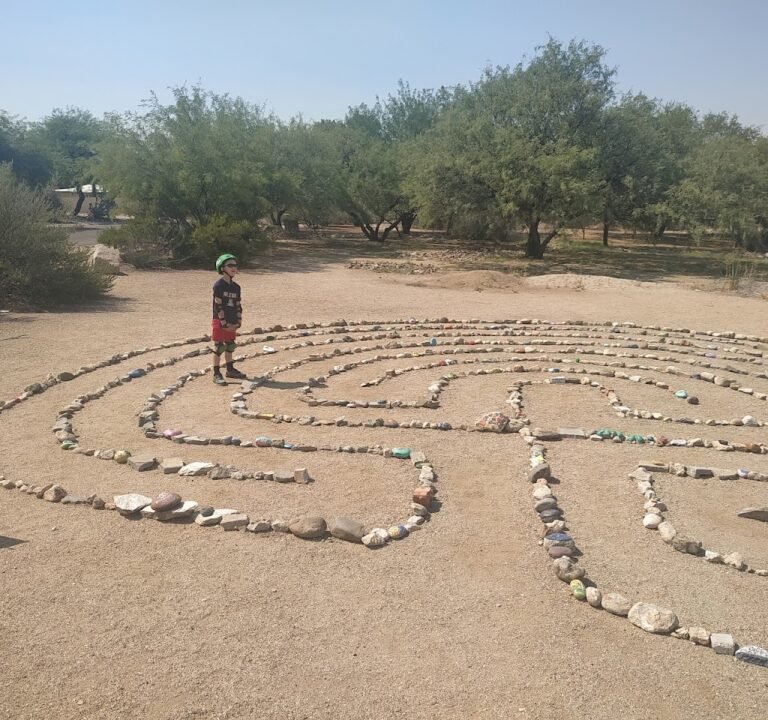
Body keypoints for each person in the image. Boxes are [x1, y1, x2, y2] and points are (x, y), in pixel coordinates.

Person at [211, 253, 248, 385]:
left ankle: (230, 369)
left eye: (235, 265)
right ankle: (216, 373)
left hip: (232, 319)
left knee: (230, 345)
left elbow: (238, 305)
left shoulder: (236, 287)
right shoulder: (218, 285)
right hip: (220, 320)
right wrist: (223, 323)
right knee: (219, 347)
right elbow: (218, 305)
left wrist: (238, 321)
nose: (233, 267)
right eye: (230, 265)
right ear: (222, 268)